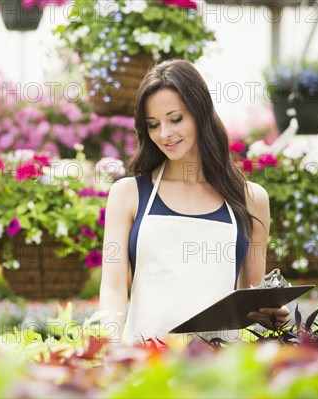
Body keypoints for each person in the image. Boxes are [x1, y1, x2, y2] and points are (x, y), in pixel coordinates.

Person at [99, 59, 290, 345]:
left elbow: (251, 295)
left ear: (201, 113)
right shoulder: (128, 194)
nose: (164, 134)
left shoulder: (250, 200)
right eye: (153, 125)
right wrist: (110, 350)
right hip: (145, 366)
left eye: (175, 119)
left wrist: (272, 314)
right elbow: (113, 290)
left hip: (219, 371)